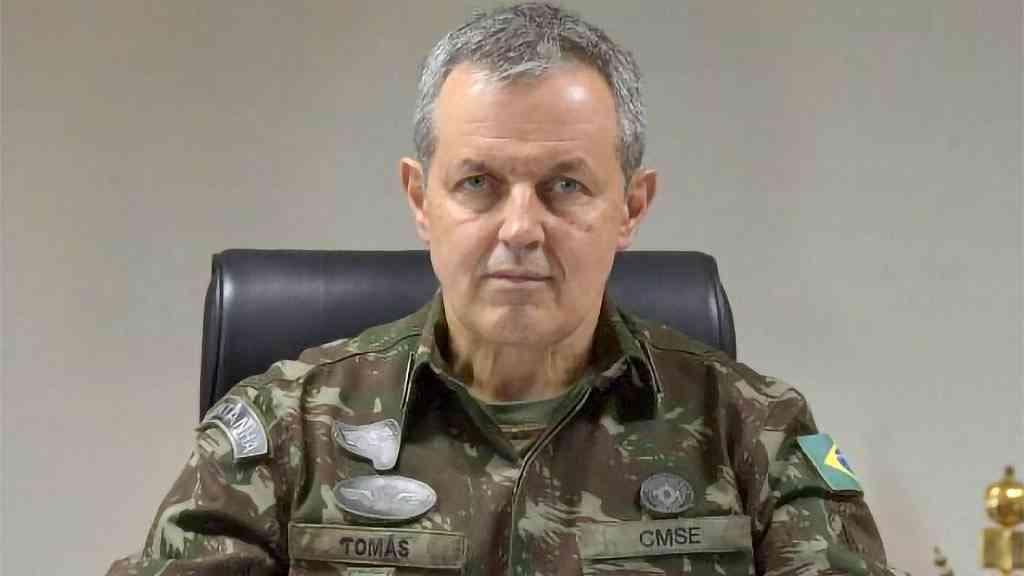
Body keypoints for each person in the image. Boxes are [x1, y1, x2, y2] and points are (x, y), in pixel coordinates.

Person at [108, 3, 901, 575]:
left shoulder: (755, 431)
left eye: (565, 186)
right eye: (479, 183)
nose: (520, 227)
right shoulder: (285, 429)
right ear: (421, 199)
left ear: (632, 207)